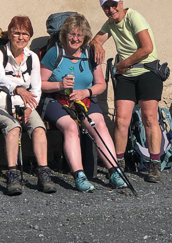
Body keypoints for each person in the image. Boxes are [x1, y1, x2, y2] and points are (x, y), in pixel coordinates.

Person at [39, 13, 127, 192]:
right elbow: (39, 83)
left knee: (99, 124)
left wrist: (86, 92)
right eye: (72, 34)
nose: (75, 39)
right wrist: (59, 85)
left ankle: (114, 171)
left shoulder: (90, 52)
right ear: (65, 34)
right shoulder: (55, 52)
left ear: (85, 36)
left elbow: (100, 84)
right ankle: (79, 175)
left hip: (83, 99)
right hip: (57, 100)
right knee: (71, 127)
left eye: (79, 35)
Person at [92, 0, 164, 183]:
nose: (111, 10)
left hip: (147, 71)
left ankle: (154, 164)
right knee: (121, 120)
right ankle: (119, 163)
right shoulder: (110, 23)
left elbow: (147, 48)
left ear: (121, 3)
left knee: (149, 118)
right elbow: (95, 39)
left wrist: (124, 64)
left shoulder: (134, 17)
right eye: (106, 7)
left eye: (114, 5)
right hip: (126, 75)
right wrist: (97, 44)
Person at [0, 15, 56, 195]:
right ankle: (12, 174)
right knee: (13, 127)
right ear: (9, 34)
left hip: (25, 105)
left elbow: (36, 89)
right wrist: (18, 89)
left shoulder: (32, 58)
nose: (21, 37)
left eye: (25, 34)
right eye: (17, 33)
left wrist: (30, 108)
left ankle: (43, 173)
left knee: (39, 128)